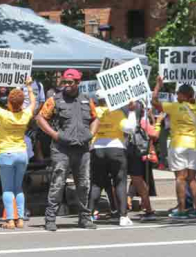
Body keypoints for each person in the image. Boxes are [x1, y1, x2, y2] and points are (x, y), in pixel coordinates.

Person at [36, 69, 99, 231]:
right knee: (58, 183)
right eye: (65, 82)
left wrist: (91, 134)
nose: (67, 85)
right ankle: (50, 218)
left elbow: (95, 118)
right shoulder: (55, 100)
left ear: (78, 83)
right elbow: (40, 118)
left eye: (70, 83)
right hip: (61, 149)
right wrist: (55, 135)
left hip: (82, 149)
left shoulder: (86, 100)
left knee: (84, 184)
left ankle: (85, 218)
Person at [152, 77, 196, 219]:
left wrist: (157, 86)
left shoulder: (174, 107)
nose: (176, 96)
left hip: (178, 145)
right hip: (193, 146)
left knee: (180, 178)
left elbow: (154, 102)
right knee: (192, 178)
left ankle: (181, 210)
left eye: (178, 94)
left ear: (185, 95)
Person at [0, 75, 35, 229]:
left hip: (6, 154)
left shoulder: (4, 115)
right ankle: (21, 219)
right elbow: (33, 102)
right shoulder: (26, 115)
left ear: (9, 103)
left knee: (7, 188)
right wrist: (29, 86)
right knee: (18, 188)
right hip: (22, 154)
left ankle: (10, 220)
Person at [88, 94, 137, 226]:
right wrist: (132, 111)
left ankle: (89, 215)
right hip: (116, 149)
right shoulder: (117, 113)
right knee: (120, 182)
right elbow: (131, 129)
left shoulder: (93, 111)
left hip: (97, 149)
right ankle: (123, 216)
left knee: (96, 183)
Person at [126, 101, 159, 221]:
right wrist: (156, 121)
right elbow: (154, 134)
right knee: (138, 181)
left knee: (118, 181)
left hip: (122, 151)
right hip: (136, 154)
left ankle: (119, 210)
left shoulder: (123, 119)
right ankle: (148, 209)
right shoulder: (143, 122)